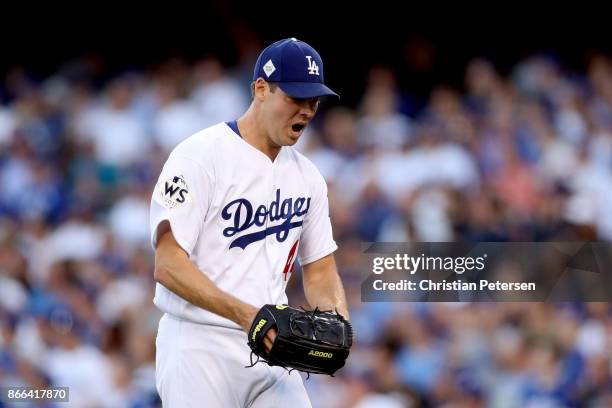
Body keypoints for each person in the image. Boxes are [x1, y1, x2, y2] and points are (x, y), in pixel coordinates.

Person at [150, 37, 350, 407]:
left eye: (314, 101)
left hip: (272, 345)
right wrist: (246, 315)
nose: (307, 110)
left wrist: (339, 322)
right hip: (198, 344)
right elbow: (168, 265)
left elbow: (320, 268)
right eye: (296, 98)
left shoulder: (307, 177)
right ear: (260, 88)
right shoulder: (199, 157)